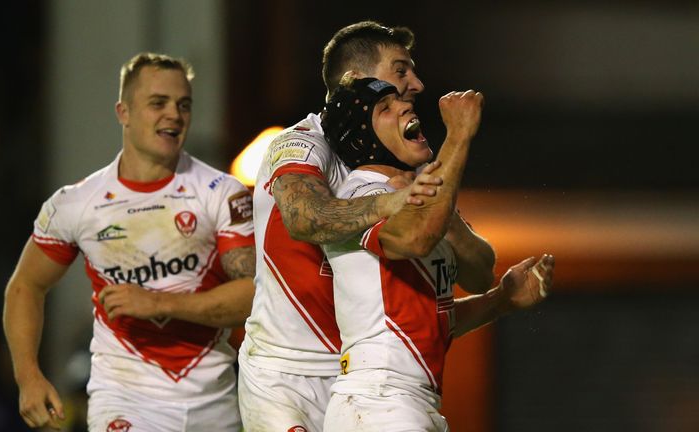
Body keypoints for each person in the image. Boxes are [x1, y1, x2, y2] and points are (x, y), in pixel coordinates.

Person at [238, 21, 495, 432]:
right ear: (355, 80)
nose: (417, 83)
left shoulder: (403, 167)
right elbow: (306, 218)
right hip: (288, 375)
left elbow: (433, 301)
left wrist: (501, 298)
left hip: (357, 374)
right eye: (400, 71)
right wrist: (395, 201)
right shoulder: (303, 142)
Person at [3, 52, 255, 431]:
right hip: (126, 400)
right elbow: (25, 286)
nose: (174, 114)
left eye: (183, 104)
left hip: (214, 401)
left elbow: (253, 295)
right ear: (123, 112)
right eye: (158, 103)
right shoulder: (76, 203)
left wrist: (156, 302)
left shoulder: (223, 193)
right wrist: (28, 377)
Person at [320, 76, 555, 431]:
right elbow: (416, 237)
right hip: (377, 402)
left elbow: (478, 272)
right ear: (361, 139)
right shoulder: (357, 195)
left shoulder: (420, 197)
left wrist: (500, 299)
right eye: (386, 108)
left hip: (408, 401)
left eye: (400, 100)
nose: (405, 105)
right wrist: (458, 136)